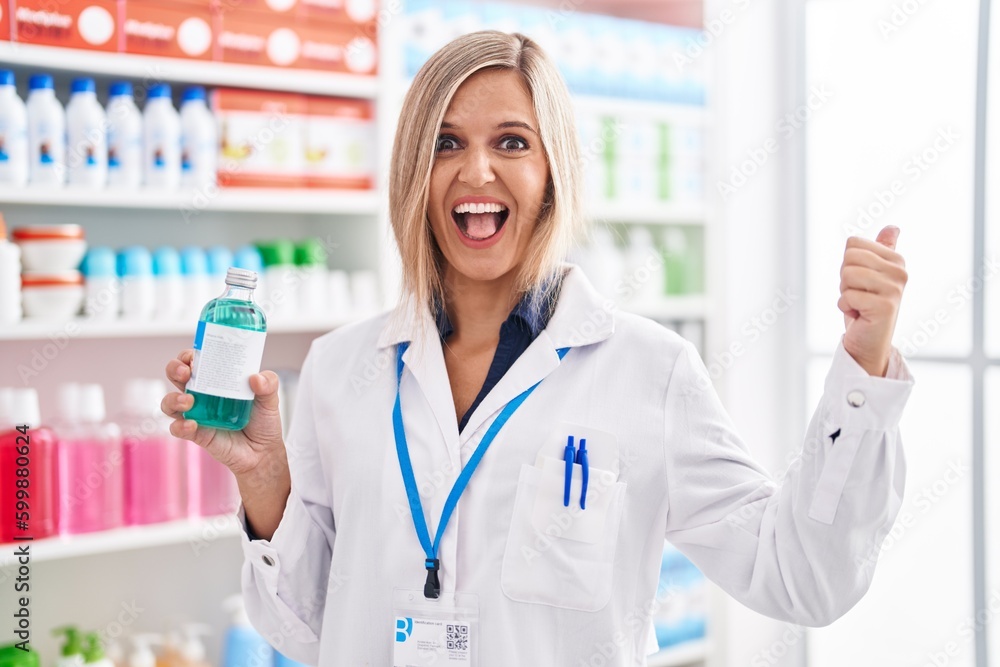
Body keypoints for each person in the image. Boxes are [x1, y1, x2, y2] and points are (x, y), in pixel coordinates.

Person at [160, 31, 913, 666]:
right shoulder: (339, 368)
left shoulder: (649, 372)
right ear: (413, 174)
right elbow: (304, 624)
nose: (475, 171)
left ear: (553, 173)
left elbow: (801, 577)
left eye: (511, 142)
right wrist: (265, 481)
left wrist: (863, 369)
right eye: (445, 142)